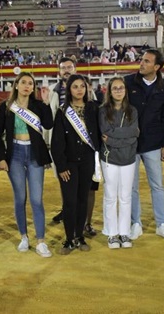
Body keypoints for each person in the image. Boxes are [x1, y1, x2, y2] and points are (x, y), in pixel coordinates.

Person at [0, 72, 53, 258]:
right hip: (15, 155)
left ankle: (41, 241)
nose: (28, 86)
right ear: (16, 85)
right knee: (20, 198)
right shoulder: (6, 106)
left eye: (31, 83)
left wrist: (46, 102)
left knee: (36, 200)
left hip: (35, 154)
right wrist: (1, 158)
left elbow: (49, 124)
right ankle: (24, 237)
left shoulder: (37, 105)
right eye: (24, 82)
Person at [124, 49, 164, 241]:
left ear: (156, 67)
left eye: (146, 61)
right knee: (132, 186)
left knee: (158, 186)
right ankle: (135, 223)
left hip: (154, 144)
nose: (142, 63)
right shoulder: (128, 82)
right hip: (131, 144)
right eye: (142, 60)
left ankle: (161, 224)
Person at [48, 58, 98, 236]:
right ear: (69, 89)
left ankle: (81, 233)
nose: (79, 90)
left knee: (83, 198)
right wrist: (60, 165)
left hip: (87, 161)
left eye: (82, 86)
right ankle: (70, 238)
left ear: (87, 88)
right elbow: (57, 141)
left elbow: (99, 131)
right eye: (75, 86)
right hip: (68, 161)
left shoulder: (94, 108)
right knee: (70, 200)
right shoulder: (63, 111)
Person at [99, 76, 139, 249]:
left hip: (129, 158)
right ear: (109, 91)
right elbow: (105, 133)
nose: (118, 91)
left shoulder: (132, 111)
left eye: (121, 88)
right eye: (115, 88)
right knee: (110, 197)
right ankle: (112, 233)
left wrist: (114, 138)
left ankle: (124, 233)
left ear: (125, 90)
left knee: (125, 197)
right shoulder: (102, 111)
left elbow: (135, 133)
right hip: (109, 159)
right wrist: (123, 135)